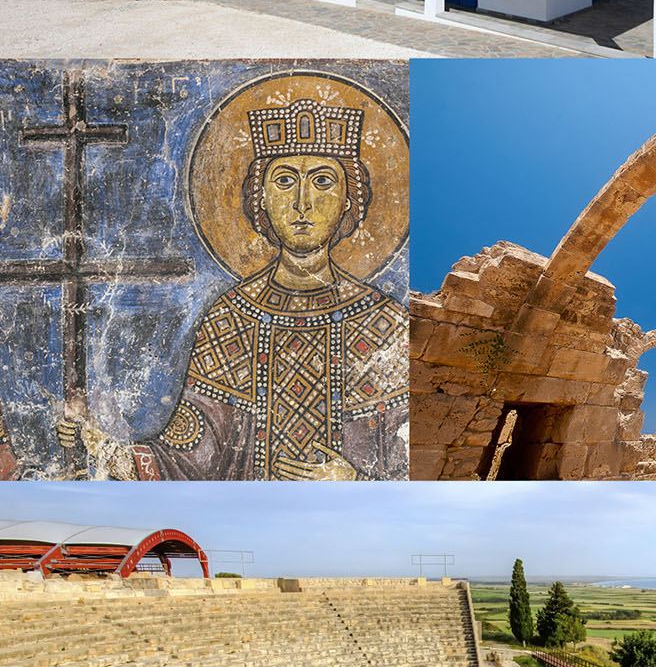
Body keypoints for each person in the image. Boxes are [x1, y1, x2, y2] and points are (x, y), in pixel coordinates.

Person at [62, 98, 407, 482]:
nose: (302, 203)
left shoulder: (387, 323)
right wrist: (103, 447)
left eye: (323, 181)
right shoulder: (230, 317)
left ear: (348, 201)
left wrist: (355, 483)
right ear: (260, 195)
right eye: (285, 180)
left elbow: (413, 462)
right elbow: (189, 457)